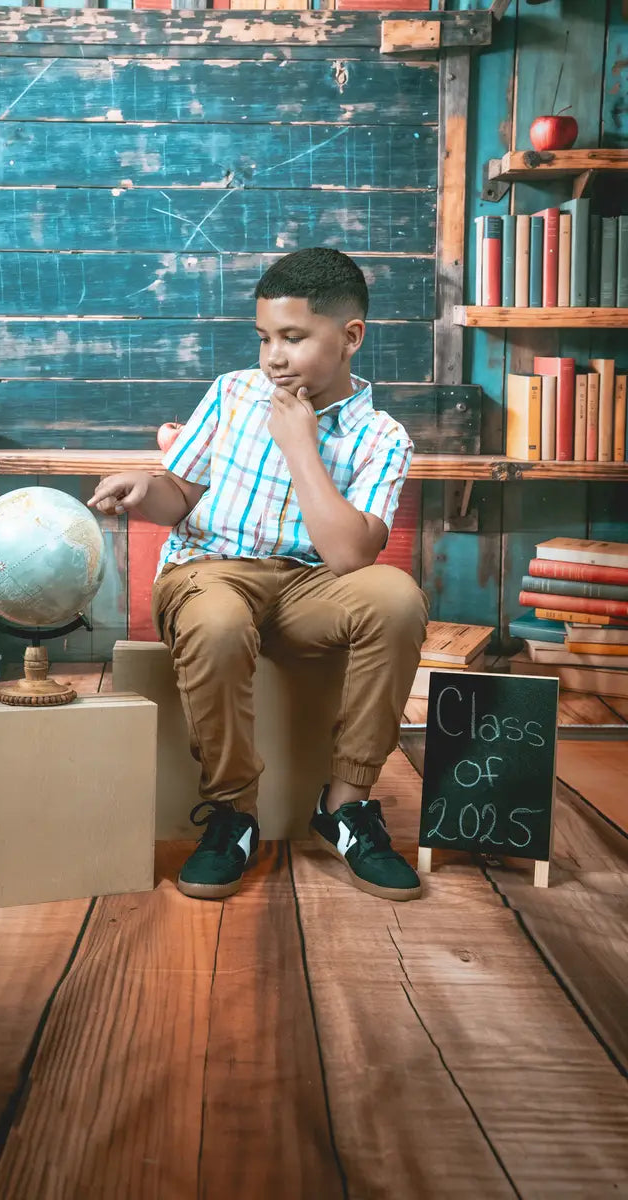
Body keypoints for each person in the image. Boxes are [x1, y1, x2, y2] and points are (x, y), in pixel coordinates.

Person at [89, 247, 428, 903]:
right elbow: (180, 495)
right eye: (265, 337)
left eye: (293, 338)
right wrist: (145, 487)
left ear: (350, 336)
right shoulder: (233, 393)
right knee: (217, 623)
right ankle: (233, 813)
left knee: (397, 598)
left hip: (310, 589)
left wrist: (302, 444)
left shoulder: (383, 437)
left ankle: (346, 806)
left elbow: (351, 558)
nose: (273, 356)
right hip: (210, 574)